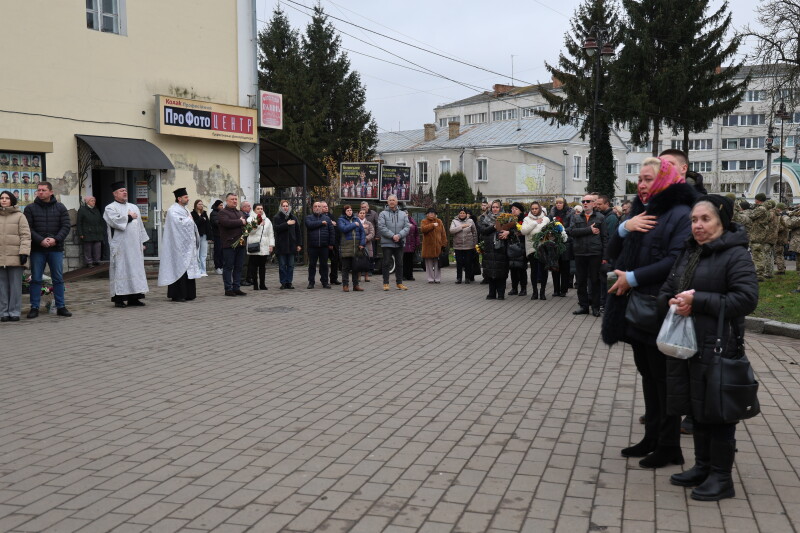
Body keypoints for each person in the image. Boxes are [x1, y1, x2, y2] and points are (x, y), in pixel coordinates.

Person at [658, 195, 758, 501]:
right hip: (688, 344)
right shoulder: (690, 251)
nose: (698, 226)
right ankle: (702, 467)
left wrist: (698, 301)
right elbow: (669, 286)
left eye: (705, 219)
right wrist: (672, 301)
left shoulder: (735, 255)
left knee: (718, 414)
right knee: (697, 409)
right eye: (694, 220)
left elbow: (746, 299)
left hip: (719, 347)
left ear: (722, 221)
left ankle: (721, 478)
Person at [603, 157, 698, 469]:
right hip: (640, 308)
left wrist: (632, 278)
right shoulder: (643, 210)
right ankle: (652, 437)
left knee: (665, 379)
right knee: (648, 375)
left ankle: (670, 446)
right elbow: (613, 253)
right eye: (639, 179)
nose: (641, 185)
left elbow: (675, 261)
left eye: (647, 178)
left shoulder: (681, 213)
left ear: (665, 179)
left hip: (661, 306)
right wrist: (623, 227)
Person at [24, 181, 71, 318]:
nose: (40, 192)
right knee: (36, 279)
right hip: (37, 249)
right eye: (38, 190)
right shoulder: (30, 208)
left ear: (51, 192)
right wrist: (40, 240)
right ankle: (34, 307)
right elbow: (28, 228)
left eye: (43, 190)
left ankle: (61, 306)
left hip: (55, 248)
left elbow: (66, 226)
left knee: (58, 279)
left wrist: (55, 239)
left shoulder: (60, 207)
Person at [103, 182, 149, 308]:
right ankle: (119, 299)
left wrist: (142, 242)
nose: (125, 192)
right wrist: (129, 217)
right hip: (120, 246)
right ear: (115, 194)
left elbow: (140, 225)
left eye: (125, 190)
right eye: (121, 190)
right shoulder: (110, 208)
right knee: (121, 270)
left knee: (135, 270)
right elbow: (115, 222)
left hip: (134, 245)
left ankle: (135, 298)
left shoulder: (134, 207)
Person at [158, 188, 204, 302]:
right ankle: (177, 294)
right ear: (179, 198)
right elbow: (179, 224)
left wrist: (189, 220)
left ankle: (189, 294)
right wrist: (189, 220)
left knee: (187, 268)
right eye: (186, 197)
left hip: (186, 246)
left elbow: (189, 222)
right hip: (177, 246)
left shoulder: (185, 209)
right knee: (179, 268)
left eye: (187, 197)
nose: (188, 199)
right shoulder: (173, 210)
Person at [567, 194, 606, 316]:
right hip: (580, 253)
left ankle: (595, 307)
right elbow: (572, 232)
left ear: (594, 204)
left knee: (595, 280)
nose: (585, 203)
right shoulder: (576, 217)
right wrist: (589, 230)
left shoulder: (600, 217)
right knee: (581, 281)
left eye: (587, 201)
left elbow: (605, 237)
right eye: (583, 201)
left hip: (595, 253)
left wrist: (605, 256)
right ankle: (583, 306)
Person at [0, 190, 31, 322]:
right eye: (2, 198)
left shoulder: (20, 216)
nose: (4, 200)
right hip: (1, 257)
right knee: (2, 287)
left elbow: (25, 236)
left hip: (16, 256)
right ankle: (3, 312)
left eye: (7, 198)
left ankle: (14, 311)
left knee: (15, 285)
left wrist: (24, 252)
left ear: (12, 200)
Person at [478, 200, 511, 299]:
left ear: (500, 208)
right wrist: (494, 227)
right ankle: (491, 293)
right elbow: (483, 231)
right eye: (493, 207)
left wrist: (507, 233)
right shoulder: (485, 218)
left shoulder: (506, 218)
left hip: (502, 249)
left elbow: (512, 230)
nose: (495, 209)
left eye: (497, 207)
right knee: (490, 271)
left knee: (501, 272)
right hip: (489, 249)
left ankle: (501, 293)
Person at [217, 193, 248, 296]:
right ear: (227, 201)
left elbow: (244, 224)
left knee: (239, 267)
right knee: (228, 267)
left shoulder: (239, 212)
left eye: (236, 199)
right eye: (232, 199)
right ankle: (228, 288)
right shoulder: (223, 213)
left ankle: (236, 287)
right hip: (229, 244)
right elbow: (226, 223)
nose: (235, 201)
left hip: (241, 243)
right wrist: (240, 222)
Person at [377, 194, 410, 291]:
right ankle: (386, 283)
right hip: (387, 243)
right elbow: (382, 227)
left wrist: (399, 236)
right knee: (386, 263)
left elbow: (407, 227)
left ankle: (399, 283)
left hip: (399, 242)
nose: (392, 202)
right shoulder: (382, 214)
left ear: (397, 202)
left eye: (393, 200)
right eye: (390, 200)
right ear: (387, 202)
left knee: (400, 263)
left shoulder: (403, 214)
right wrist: (392, 235)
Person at [521, 202, 551, 300]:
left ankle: (542, 292)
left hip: (543, 247)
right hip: (532, 248)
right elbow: (524, 231)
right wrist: (535, 222)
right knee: (534, 270)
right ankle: (535, 292)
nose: (534, 210)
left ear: (540, 209)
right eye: (532, 209)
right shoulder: (526, 219)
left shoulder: (546, 219)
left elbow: (551, 232)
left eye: (536, 208)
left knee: (543, 270)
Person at [273, 200, 302, 290]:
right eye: (283, 206)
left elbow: (298, 232)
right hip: (281, 246)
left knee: (290, 265)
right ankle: (283, 282)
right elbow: (276, 228)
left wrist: (299, 244)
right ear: (281, 207)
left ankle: (289, 282)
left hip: (292, 245)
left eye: (287, 206)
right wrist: (286, 224)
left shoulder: (293, 217)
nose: (285, 207)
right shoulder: (277, 217)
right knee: (282, 265)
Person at [306, 201, 335, 289]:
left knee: (324, 265)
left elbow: (332, 231)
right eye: (315, 206)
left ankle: (325, 282)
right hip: (312, 245)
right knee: (312, 265)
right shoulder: (309, 217)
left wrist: (331, 243)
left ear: (321, 208)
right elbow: (309, 225)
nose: (317, 208)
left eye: (319, 206)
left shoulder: (327, 218)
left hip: (324, 246)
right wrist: (321, 223)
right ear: (313, 208)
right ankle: (311, 282)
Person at [246, 204, 276, 291]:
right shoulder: (250, 219)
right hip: (254, 245)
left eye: (261, 208)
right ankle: (255, 284)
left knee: (262, 266)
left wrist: (271, 245)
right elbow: (250, 232)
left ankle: (262, 284)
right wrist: (258, 224)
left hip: (264, 245)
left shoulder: (267, 220)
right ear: (254, 210)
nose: (260, 210)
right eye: (258, 209)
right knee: (254, 266)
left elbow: (271, 233)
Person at [337, 205, 366, 292]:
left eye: (350, 210)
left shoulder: (356, 219)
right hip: (346, 246)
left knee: (355, 267)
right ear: (344, 212)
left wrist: (362, 243)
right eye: (348, 210)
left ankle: (356, 285)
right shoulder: (341, 220)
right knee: (345, 268)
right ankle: (345, 285)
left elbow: (362, 232)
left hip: (356, 247)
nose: (350, 212)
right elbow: (343, 229)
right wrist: (353, 224)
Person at [549, 198, 573, 296]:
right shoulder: (552, 213)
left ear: (564, 203)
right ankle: (556, 290)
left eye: (560, 203)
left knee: (565, 267)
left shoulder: (570, 213)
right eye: (557, 203)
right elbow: (549, 224)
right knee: (555, 266)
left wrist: (562, 231)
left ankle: (563, 290)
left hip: (565, 242)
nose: (558, 204)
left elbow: (572, 226)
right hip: (554, 242)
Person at [449, 207, 477, 284]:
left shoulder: (470, 221)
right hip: (458, 245)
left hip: (469, 245)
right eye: (460, 213)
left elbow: (474, 232)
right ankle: (459, 278)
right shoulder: (454, 221)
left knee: (468, 262)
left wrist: (475, 244)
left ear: (466, 214)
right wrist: (462, 226)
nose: (462, 214)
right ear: (458, 214)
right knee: (459, 262)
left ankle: (467, 278)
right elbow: (451, 230)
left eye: (463, 213)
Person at [420, 207, 447, 284]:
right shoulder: (424, 221)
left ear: (435, 214)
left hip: (438, 246)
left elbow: (443, 233)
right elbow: (423, 229)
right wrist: (432, 225)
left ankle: (437, 278)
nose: (432, 214)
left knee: (437, 263)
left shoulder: (439, 221)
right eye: (430, 213)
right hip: (428, 246)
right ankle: (430, 278)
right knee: (428, 263)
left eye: (433, 213)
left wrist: (444, 243)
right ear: (427, 214)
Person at [76, 196, 105, 266]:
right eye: (92, 201)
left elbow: (100, 220)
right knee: (88, 248)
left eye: (94, 201)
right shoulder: (82, 210)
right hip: (87, 232)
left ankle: (97, 260)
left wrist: (101, 229)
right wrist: (80, 233)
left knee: (97, 247)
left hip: (97, 232)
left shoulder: (96, 209)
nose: (94, 202)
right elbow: (79, 223)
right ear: (87, 202)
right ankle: (89, 262)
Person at [507, 202, 528, 296]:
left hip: (521, 245)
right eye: (512, 209)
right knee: (513, 267)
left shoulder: (524, 219)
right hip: (512, 245)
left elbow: (524, 231)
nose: (513, 210)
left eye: (516, 209)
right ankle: (514, 288)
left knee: (522, 268)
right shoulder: (509, 219)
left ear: (520, 210)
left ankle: (523, 288)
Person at [190, 199, 210, 275]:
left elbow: (208, 225)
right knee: (196, 253)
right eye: (199, 204)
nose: (201, 206)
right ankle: (197, 270)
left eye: (202, 204)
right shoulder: (192, 214)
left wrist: (210, 236)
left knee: (203, 254)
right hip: (196, 235)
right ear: (196, 205)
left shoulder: (204, 213)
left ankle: (203, 270)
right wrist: (201, 219)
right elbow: (194, 224)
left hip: (204, 235)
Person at [358, 207, 375, 283]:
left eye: (363, 213)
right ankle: (358, 276)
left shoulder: (369, 223)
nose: (362, 214)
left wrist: (365, 239)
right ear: (358, 214)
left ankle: (366, 276)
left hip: (367, 244)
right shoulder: (356, 223)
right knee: (358, 260)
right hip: (358, 244)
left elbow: (372, 233)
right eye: (360, 213)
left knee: (367, 260)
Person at [402, 214, 419, 281]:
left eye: (406, 213)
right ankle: (403, 275)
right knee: (403, 261)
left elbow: (416, 234)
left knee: (410, 261)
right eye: (404, 213)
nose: (406, 214)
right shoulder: (400, 221)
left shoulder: (412, 221)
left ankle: (410, 275)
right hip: (404, 244)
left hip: (411, 244)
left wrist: (417, 242)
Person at [209, 199, 224, 274]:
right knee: (218, 251)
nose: (222, 206)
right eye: (220, 205)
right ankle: (217, 267)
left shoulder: (222, 213)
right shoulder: (213, 213)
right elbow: (216, 223)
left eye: (222, 205)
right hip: (217, 235)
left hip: (223, 235)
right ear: (217, 206)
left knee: (222, 252)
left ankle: (221, 266)